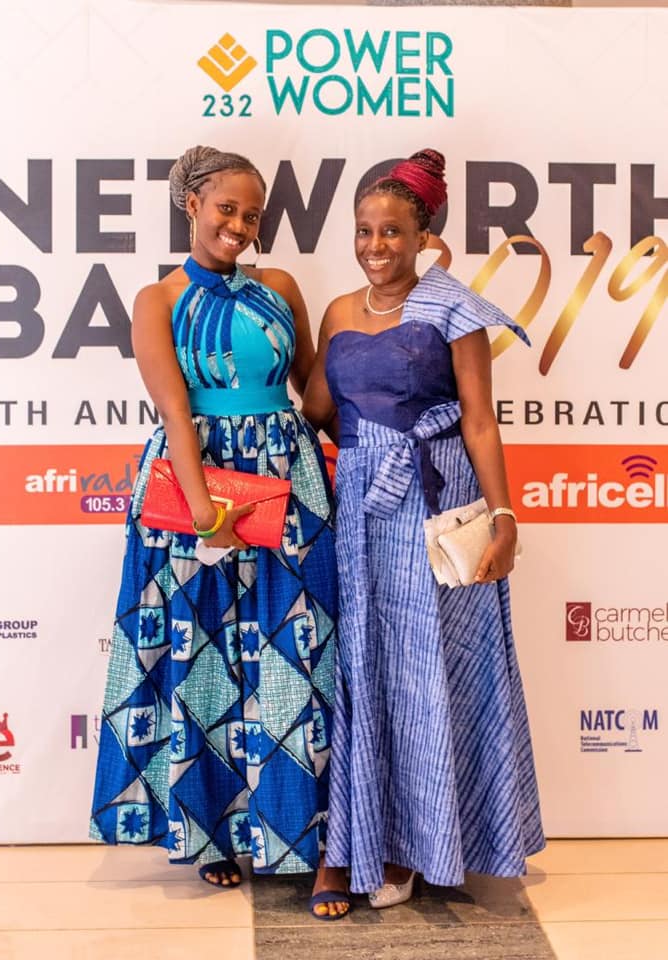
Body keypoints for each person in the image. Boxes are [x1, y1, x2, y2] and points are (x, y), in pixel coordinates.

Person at [90, 145, 347, 918]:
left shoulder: (281, 287)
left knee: (300, 654)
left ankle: (307, 836)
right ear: (192, 204)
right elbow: (175, 410)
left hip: (289, 486)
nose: (239, 224)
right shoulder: (157, 299)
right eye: (226, 208)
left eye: (252, 214)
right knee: (203, 658)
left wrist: (362, 356)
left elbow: (314, 393)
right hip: (194, 489)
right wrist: (208, 513)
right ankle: (212, 836)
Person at [302, 148, 545, 907]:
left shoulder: (455, 310)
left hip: (437, 503)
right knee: (366, 668)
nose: (376, 246)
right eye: (364, 231)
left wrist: (504, 517)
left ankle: (424, 844)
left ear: (423, 237)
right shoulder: (339, 312)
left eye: (392, 232)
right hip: (362, 510)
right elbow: (318, 409)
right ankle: (369, 839)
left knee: (431, 672)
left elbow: (480, 420)